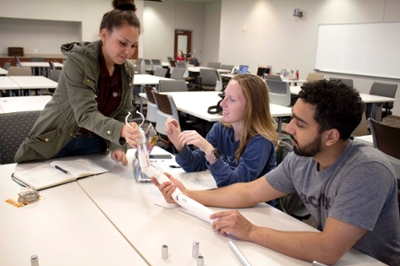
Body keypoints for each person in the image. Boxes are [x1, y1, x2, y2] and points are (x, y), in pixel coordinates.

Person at [153, 80, 400, 265]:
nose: (288, 128)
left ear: (331, 136)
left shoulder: (367, 170)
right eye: (293, 118)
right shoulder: (302, 159)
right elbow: (249, 191)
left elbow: (328, 249)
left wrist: (251, 231)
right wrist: (186, 195)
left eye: (300, 124)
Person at [14, 0, 142, 165]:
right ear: (104, 35)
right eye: (123, 43)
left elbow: (122, 113)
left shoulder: (126, 70)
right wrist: (120, 130)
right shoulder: (79, 61)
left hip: (96, 143)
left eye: (134, 46)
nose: (128, 51)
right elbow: (85, 114)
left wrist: (117, 146)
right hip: (59, 141)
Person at [164, 74, 278, 188]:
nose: (222, 103)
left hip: (257, 205)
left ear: (252, 107)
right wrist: (179, 144)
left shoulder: (261, 141)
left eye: (232, 99)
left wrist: (211, 153)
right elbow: (194, 166)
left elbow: (236, 187)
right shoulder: (221, 128)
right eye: (224, 96)